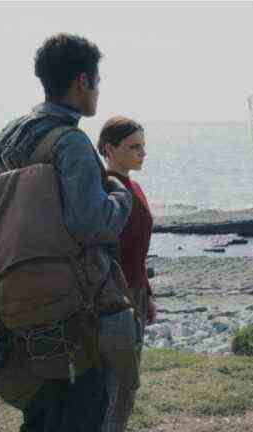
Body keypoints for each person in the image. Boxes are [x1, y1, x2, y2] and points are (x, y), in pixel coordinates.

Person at [0, 33, 134, 432]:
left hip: (14, 307)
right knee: (83, 408)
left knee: (43, 414)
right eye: (97, 81)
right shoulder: (71, 141)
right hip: (69, 309)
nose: (97, 90)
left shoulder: (13, 133)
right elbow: (93, 224)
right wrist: (119, 193)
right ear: (82, 82)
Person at [97, 116, 157, 432]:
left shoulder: (135, 187)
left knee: (128, 381)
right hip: (109, 299)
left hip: (135, 293)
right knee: (115, 380)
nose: (142, 153)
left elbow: (138, 251)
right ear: (109, 149)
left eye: (143, 146)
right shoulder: (101, 190)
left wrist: (147, 295)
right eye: (134, 147)